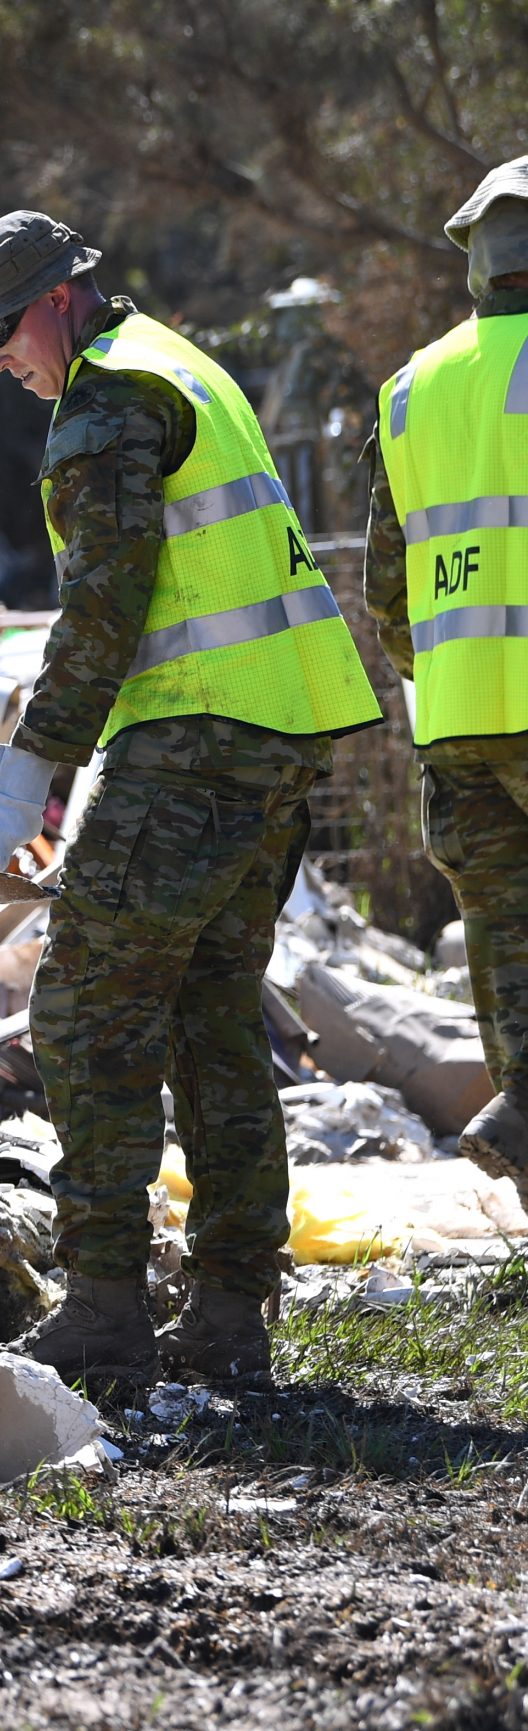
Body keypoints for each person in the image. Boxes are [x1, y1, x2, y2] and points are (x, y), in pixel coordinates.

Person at [0, 210, 381, 1386]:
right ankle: (230, 1313)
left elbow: (102, 609)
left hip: (198, 734)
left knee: (84, 1009)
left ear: (57, 298)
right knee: (208, 1011)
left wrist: (21, 778)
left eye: (0, 333)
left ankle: (103, 1308)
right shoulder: (181, 363)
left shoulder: (107, 399)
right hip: (280, 725)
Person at [362, 154, 528, 1186]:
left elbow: (387, 592)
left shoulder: (413, 388)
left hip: (458, 724)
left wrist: (453, 674)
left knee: (508, 963)